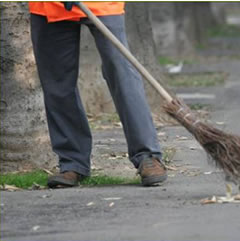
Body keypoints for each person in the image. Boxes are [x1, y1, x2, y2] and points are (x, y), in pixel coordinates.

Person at [29, 2, 167, 188]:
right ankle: (72, 163)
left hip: (102, 4)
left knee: (121, 73)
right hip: (48, 6)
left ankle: (147, 155)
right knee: (57, 82)